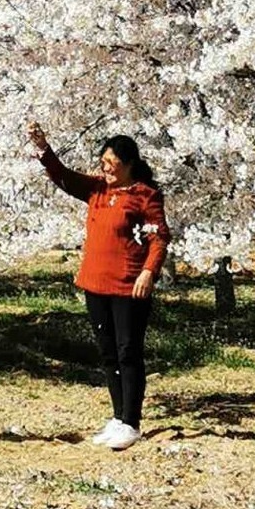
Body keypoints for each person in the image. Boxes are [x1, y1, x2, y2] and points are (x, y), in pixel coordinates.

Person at [27, 122, 170, 450]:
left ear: (128, 164)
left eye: (111, 163)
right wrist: (43, 147)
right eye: (103, 161)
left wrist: (148, 272)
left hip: (128, 286)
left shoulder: (145, 196)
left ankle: (131, 422)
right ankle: (118, 417)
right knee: (108, 354)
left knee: (128, 352)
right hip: (95, 282)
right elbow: (63, 176)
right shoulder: (97, 189)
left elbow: (159, 238)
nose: (105, 168)